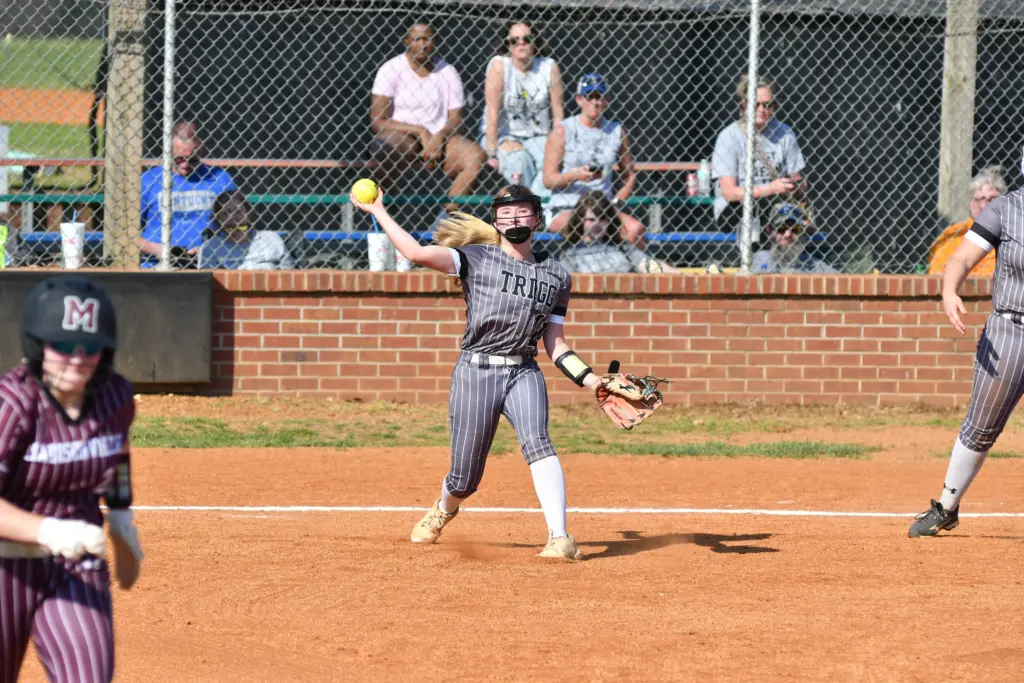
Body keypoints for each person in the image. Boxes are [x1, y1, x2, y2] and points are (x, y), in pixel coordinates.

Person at [349, 183, 608, 561]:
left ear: (537, 219)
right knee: (465, 478)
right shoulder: (476, 258)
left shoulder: (557, 275)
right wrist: (379, 212)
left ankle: (560, 537)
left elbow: (556, 344)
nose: (514, 219)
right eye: (506, 213)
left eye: (522, 212)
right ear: (496, 222)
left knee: (539, 443)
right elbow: (416, 253)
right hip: (476, 370)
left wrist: (592, 379)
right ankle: (444, 507)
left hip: (523, 370)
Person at [0, 275, 143, 681]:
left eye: (89, 347)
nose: (77, 359)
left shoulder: (115, 397)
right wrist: (48, 531)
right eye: (62, 346)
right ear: (37, 346)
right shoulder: (13, 404)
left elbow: (116, 451)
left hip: (74, 563)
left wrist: (120, 517)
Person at [907, 174, 1024, 537]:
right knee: (981, 426)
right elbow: (961, 258)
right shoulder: (1006, 209)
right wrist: (949, 291)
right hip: (1011, 329)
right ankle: (946, 507)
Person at [369, 20, 485, 219]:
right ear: (407, 41)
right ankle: (385, 211)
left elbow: (457, 119)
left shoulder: (447, 72)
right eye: (416, 39)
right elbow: (378, 120)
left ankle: (445, 219)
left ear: (435, 41)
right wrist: (420, 131)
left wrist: (439, 136)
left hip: (441, 140)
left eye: (427, 39)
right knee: (382, 148)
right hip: (403, 137)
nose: (422, 44)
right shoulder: (391, 69)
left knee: (475, 157)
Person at [542, 73, 645, 245]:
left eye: (600, 96)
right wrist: (575, 175)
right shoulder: (563, 130)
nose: (595, 102)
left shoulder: (616, 130)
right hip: (566, 205)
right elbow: (548, 180)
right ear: (579, 100)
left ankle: (636, 262)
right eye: (590, 96)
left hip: (602, 207)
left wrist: (616, 202)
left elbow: (629, 175)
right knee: (586, 227)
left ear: (607, 100)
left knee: (636, 230)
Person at [711, 74, 806, 238]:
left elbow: (798, 180)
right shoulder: (729, 136)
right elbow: (729, 193)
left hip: (774, 205)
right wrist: (770, 189)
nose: (762, 109)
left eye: (768, 104)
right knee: (764, 210)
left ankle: (788, 247)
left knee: (787, 215)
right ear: (744, 104)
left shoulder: (785, 133)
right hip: (735, 208)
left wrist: (795, 186)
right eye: (755, 104)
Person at [481, 20, 564, 195]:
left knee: (550, 163)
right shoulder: (499, 66)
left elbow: (558, 115)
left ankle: (537, 207)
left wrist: (558, 145)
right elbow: (492, 112)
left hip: (539, 136)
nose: (521, 43)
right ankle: (526, 205)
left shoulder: (548, 67)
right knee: (519, 160)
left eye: (527, 39)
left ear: (535, 42)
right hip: (505, 135)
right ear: (508, 45)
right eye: (514, 40)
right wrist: (492, 152)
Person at [139, 120, 237, 268]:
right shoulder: (148, 181)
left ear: (202, 151)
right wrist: (157, 250)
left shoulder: (220, 179)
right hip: (157, 265)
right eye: (179, 159)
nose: (185, 165)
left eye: (193, 160)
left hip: (207, 264)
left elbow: (238, 227)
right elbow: (123, 234)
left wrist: (211, 250)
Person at [558, 190, 676, 273]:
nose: (597, 224)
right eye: (591, 220)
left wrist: (677, 274)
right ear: (580, 220)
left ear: (609, 221)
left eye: (602, 219)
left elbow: (648, 265)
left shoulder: (623, 247)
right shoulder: (570, 253)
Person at [927, 165, 1005, 276]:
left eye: (994, 200)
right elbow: (937, 275)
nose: (987, 205)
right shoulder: (953, 236)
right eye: (982, 199)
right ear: (972, 204)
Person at [199, 190, 294, 270]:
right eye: (225, 213)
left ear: (248, 213)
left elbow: (288, 271)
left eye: (238, 211)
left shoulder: (270, 239)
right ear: (218, 219)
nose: (232, 217)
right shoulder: (211, 247)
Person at [751, 202, 836, 274]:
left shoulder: (812, 263)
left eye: (795, 229)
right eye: (781, 229)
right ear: (770, 230)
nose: (788, 234)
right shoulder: (764, 258)